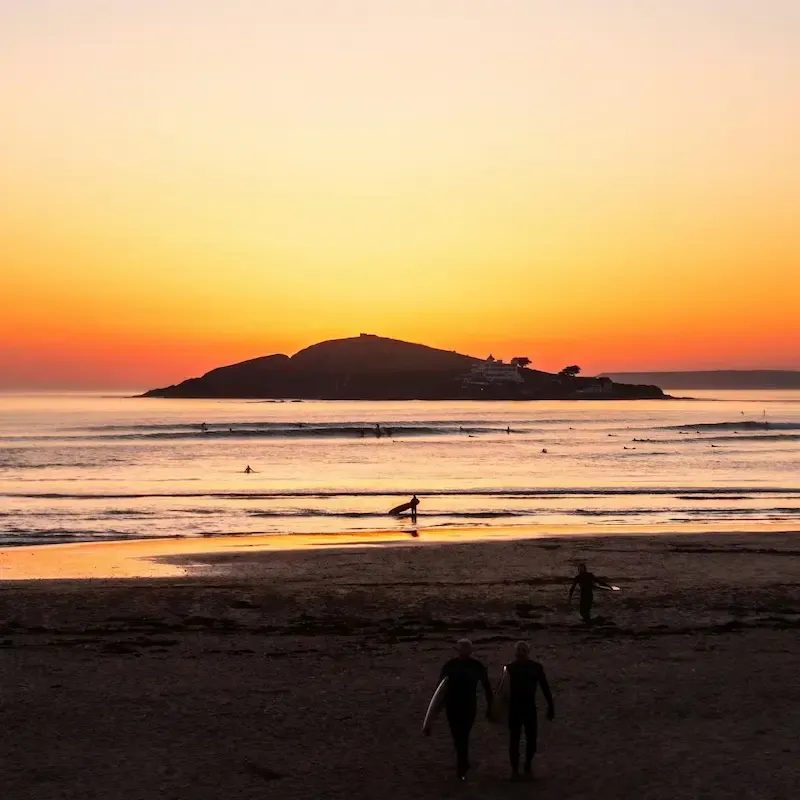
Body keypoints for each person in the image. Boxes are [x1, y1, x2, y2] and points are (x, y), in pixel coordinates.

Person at [433, 639, 492, 781]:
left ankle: (461, 768)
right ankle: (463, 763)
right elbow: (439, 690)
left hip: (466, 706)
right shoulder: (452, 665)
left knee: (462, 736)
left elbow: (487, 687)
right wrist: (434, 712)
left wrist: (491, 707)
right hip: (454, 706)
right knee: (458, 736)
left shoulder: (474, 666)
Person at [505, 641, 554, 780]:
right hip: (514, 708)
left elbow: (545, 687)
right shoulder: (510, 668)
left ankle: (527, 766)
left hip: (529, 708)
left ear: (528, 652)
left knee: (531, 740)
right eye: (519, 650)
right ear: (515, 652)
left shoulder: (536, 668)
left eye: (523, 650)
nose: (521, 652)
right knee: (514, 740)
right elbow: (503, 691)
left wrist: (550, 705)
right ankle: (514, 770)